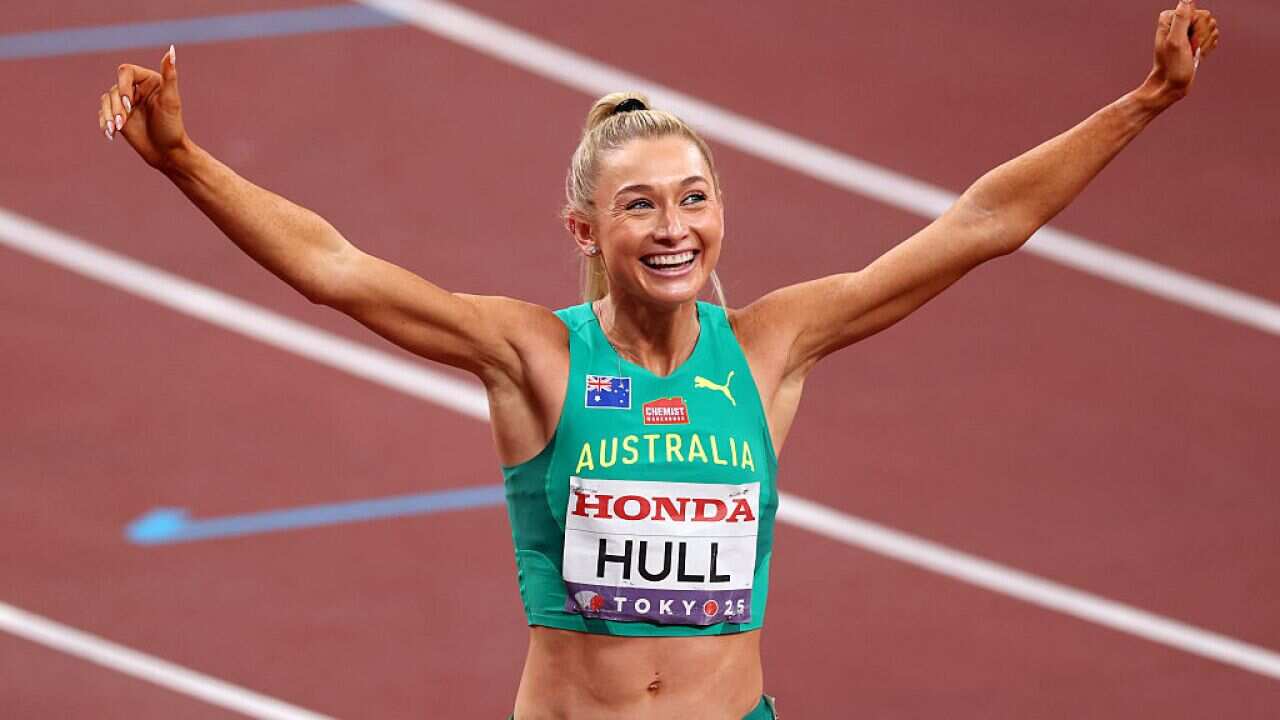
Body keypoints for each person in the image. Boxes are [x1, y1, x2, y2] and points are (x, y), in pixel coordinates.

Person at [97, 3, 1219, 718]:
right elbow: (334, 269)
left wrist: (1147, 102)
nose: (673, 225)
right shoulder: (531, 356)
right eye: (639, 204)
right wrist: (186, 161)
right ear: (586, 232)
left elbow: (977, 226)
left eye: (693, 198)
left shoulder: (772, 348)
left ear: (720, 212)